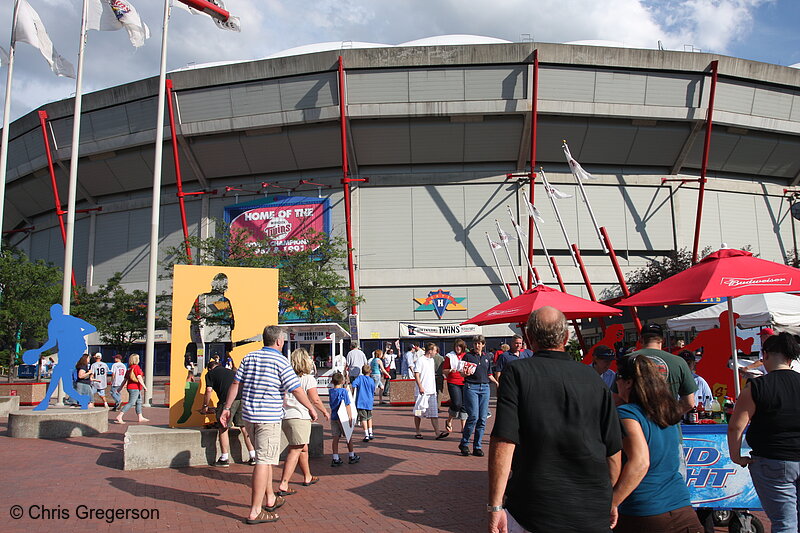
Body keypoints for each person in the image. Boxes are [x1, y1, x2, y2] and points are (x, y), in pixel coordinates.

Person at [489, 306, 623, 533]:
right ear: (567, 336)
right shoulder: (594, 378)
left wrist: (495, 505)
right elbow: (613, 449)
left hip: (535, 507)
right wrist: (609, 497)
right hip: (591, 507)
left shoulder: (517, 373)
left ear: (529, 338)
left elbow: (504, 441)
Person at [218, 325, 318, 525]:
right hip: (268, 417)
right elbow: (296, 389)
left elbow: (236, 384)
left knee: (266, 457)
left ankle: (270, 497)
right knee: (263, 461)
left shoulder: (249, 358)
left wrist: (227, 407)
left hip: (250, 417)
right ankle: (255, 511)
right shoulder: (281, 362)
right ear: (279, 341)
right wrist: (311, 408)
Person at [612, 355, 703, 533]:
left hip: (644, 512)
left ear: (629, 382)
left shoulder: (626, 414)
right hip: (682, 510)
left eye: (619, 379)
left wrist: (612, 502)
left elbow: (640, 462)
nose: (617, 385)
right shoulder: (667, 413)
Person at [728, 332, 800, 533]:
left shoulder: (757, 387)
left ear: (765, 355)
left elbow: (736, 426)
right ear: (790, 358)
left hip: (773, 460)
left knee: (785, 523)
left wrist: (736, 456)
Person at [22, 303, 96, 410]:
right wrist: (39, 350)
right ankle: (83, 400)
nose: (53, 315)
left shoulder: (70, 320)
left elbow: (92, 328)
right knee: (67, 387)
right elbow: (52, 342)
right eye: (52, 313)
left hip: (75, 349)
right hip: (64, 351)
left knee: (57, 371)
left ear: (60, 312)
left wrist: (78, 335)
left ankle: (45, 402)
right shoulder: (52, 324)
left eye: (55, 312)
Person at [277, 348, 330, 495]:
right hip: (300, 416)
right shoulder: (308, 378)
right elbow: (315, 399)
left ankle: (307, 476)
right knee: (295, 449)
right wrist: (324, 411)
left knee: (303, 447)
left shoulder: (286, 377)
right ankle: (284, 483)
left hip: (286, 415)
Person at [620, 324, 697, 414]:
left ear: (640, 340)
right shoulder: (679, 362)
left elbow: (617, 399)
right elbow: (689, 403)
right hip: (667, 425)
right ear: (663, 340)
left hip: (635, 423)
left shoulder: (626, 360)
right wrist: (669, 417)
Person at [201, 359, 257, 467]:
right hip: (242, 398)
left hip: (227, 400)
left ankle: (224, 457)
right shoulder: (231, 371)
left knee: (223, 427)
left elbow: (208, 390)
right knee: (244, 427)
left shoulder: (210, 374)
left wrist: (205, 406)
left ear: (209, 368)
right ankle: (253, 456)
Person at [459, 335, 498, 456]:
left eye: (480, 343)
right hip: (472, 387)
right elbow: (462, 373)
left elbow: (489, 373)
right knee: (473, 417)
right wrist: (465, 374)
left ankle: (477, 446)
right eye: (475, 343)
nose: (477, 346)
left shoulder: (487, 357)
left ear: (483, 345)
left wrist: (497, 383)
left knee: (482, 418)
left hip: (485, 387)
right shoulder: (468, 356)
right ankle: (464, 443)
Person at [412, 343, 446, 440]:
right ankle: (418, 431)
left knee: (434, 413)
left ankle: (437, 433)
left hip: (431, 391)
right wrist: (420, 387)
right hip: (422, 392)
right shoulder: (420, 360)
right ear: (430, 351)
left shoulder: (432, 361)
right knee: (418, 412)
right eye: (435, 350)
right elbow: (416, 374)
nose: (436, 352)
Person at [328, 371, 360, 466]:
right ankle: (351, 455)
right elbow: (347, 405)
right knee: (348, 436)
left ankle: (335, 457)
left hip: (334, 416)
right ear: (342, 381)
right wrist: (350, 417)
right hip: (342, 417)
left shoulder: (331, 391)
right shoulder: (343, 392)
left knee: (335, 438)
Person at [443, 339, 468, 434]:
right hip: (453, 381)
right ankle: (449, 419)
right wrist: (449, 370)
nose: (458, 348)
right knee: (457, 403)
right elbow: (444, 370)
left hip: (464, 381)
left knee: (464, 404)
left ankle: (463, 426)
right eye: (456, 346)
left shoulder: (466, 356)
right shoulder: (450, 356)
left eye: (460, 346)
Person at [114, 354, 148, 424]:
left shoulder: (129, 368)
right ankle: (120, 416)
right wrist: (144, 386)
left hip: (131, 387)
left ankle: (140, 416)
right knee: (131, 402)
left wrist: (120, 388)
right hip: (135, 388)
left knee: (139, 402)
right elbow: (139, 377)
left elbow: (125, 379)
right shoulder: (136, 367)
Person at [352, 364, 377, 441]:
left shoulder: (360, 378)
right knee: (369, 417)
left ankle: (366, 434)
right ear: (370, 371)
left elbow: (353, 384)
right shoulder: (371, 380)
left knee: (363, 418)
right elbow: (373, 389)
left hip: (361, 401)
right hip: (369, 401)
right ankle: (371, 432)